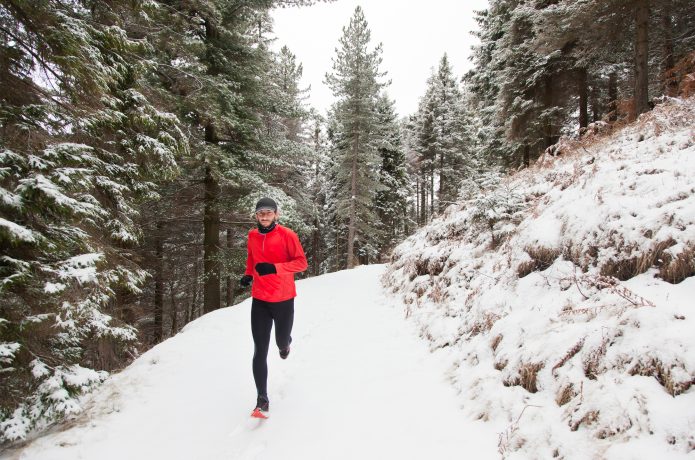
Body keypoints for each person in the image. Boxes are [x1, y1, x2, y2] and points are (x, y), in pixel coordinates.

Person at [240, 197, 308, 418]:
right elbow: (252, 258)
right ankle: (262, 400)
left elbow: (301, 263)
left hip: (283, 298)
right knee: (259, 350)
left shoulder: (288, 235)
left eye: (269, 212)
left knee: (280, 341)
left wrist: (274, 268)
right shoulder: (252, 236)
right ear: (256, 216)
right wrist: (248, 275)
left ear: (276, 214)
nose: (265, 216)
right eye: (261, 213)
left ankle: (285, 345)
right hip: (259, 299)